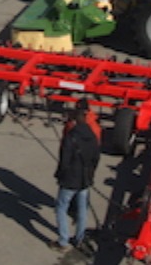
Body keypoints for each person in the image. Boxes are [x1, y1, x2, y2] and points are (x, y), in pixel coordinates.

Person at [51, 98, 101, 253]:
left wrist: (60, 175)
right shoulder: (93, 134)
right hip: (85, 179)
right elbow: (95, 158)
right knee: (82, 210)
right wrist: (91, 174)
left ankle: (63, 240)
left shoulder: (71, 135)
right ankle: (79, 238)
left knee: (61, 208)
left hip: (70, 179)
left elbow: (64, 160)